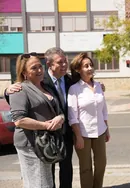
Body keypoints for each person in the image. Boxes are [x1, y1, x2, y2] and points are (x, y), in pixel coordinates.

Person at [5, 47, 74, 188]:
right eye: (34, 68)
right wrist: (46, 126)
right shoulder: (20, 89)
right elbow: (19, 120)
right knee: (38, 183)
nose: (39, 70)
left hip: (47, 142)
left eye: (39, 66)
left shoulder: (44, 86)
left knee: (45, 182)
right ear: (24, 72)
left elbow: (58, 109)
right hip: (31, 145)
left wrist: (60, 118)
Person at [68, 52, 110, 188]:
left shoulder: (98, 86)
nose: (90, 68)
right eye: (86, 66)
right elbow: (72, 115)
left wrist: (107, 128)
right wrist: (78, 136)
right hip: (83, 134)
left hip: (100, 131)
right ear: (78, 69)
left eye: (91, 65)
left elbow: (103, 109)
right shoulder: (74, 89)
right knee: (86, 168)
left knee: (101, 164)